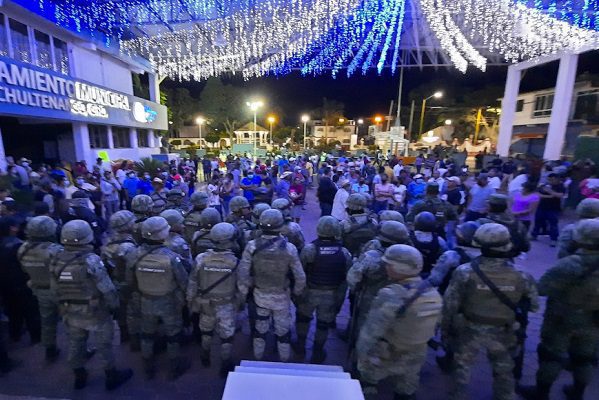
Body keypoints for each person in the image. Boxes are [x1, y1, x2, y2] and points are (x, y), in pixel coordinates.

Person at [442, 223, 538, 400]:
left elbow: (450, 305)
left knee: (462, 371)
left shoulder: (464, 272)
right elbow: (534, 306)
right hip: (504, 330)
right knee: (504, 372)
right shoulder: (522, 274)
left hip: (469, 329)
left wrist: (446, 329)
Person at [519, 219, 599, 400]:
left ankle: (541, 392)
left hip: (563, 317)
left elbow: (542, 288)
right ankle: (578, 392)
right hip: (594, 319)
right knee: (584, 357)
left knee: (551, 355)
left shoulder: (570, 263)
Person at [50, 220, 133, 390]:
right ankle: (111, 375)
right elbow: (107, 288)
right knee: (104, 344)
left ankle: (79, 375)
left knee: (75, 342)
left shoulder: (56, 258)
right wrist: (114, 306)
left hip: (69, 308)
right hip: (95, 310)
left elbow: (54, 288)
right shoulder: (91, 260)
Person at [356, 244, 442, 400]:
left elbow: (371, 331)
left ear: (399, 268)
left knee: (368, 383)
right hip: (417, 352)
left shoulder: (391, 294)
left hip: (387, 352)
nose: (386, 268)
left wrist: (361, 356)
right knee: (406, 390)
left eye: (389, 265)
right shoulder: (432, 292)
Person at [237, 209, 306, 362]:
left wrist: (244, 291)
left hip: (260, 294)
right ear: (280, 226)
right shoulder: (289, 248)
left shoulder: (252, 246)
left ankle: (258, 358)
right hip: (282, 296)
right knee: (283, 333)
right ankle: (284, 361)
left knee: (260, 331)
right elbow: (300, 276)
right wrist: (296, 292)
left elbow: (243, 273)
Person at [127, 216, 190, 380]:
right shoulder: (171, 257)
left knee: (147, 334)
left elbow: (129, 280)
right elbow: (183, 282)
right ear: (162, 234)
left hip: (145, 300)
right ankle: (174, 367)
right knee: (173, 335)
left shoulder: (134, 254)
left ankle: (147, 364)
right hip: (169, 302)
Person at [293, 216, 352, 363]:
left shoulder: (310, 249)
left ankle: (300, 346)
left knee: (303, 320)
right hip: (331, 294)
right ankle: (318, 351)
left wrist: (298, 294)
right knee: (323, 325)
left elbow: (300, 271)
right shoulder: (344, 253)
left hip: (310, 291)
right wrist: (339, 299)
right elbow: (346, 278)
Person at [187, 222, 240, 376]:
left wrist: (191, 301)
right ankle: (225, 364)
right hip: (226, 304)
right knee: (227, 337)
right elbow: (242, 286)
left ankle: (205, 356)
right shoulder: (235, 261)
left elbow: (192, 282)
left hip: (205, 304)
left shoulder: (200, 259)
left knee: (206, 332)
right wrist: (239, 302)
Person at [17, 216, 63, 361]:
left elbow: (24, 270)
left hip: (39, 289)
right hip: (60, 291)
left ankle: (50, 349)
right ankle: (80, 351)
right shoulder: (55, 250)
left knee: (47, 320)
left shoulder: (22, 248)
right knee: (72, 322)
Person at [100, 210, 139, 350]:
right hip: (128, 283)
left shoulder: (109, 242)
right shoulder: (128, 246)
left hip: (115, 281)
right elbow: (133, 267)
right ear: (128, 225)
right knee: (133, 313)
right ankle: (135, 341)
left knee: (121, 310)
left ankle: (123, 334)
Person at [531, 173, 566, 246]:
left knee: (553, 224)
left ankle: (554, 239)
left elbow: (560, 195)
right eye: (549, 179)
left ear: (557, 179)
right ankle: (534, 235)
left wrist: (550, 191)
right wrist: (550, 196)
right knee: (538, 222)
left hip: (553, 208)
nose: (550, 181)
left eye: (552, 179)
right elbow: (537, 194)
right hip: (542, 207)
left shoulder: (560, 186)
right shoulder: (543, 185)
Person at [410, 212, 447, 277]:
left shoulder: (409, 237)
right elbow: (443, 256)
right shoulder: (439, 240)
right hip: (428, 273)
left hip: (410, 271)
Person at [341, 193, 378, 258]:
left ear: (350, 207)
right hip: (368, 257)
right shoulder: (373, 222)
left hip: (350, 256)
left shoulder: (344, 223)